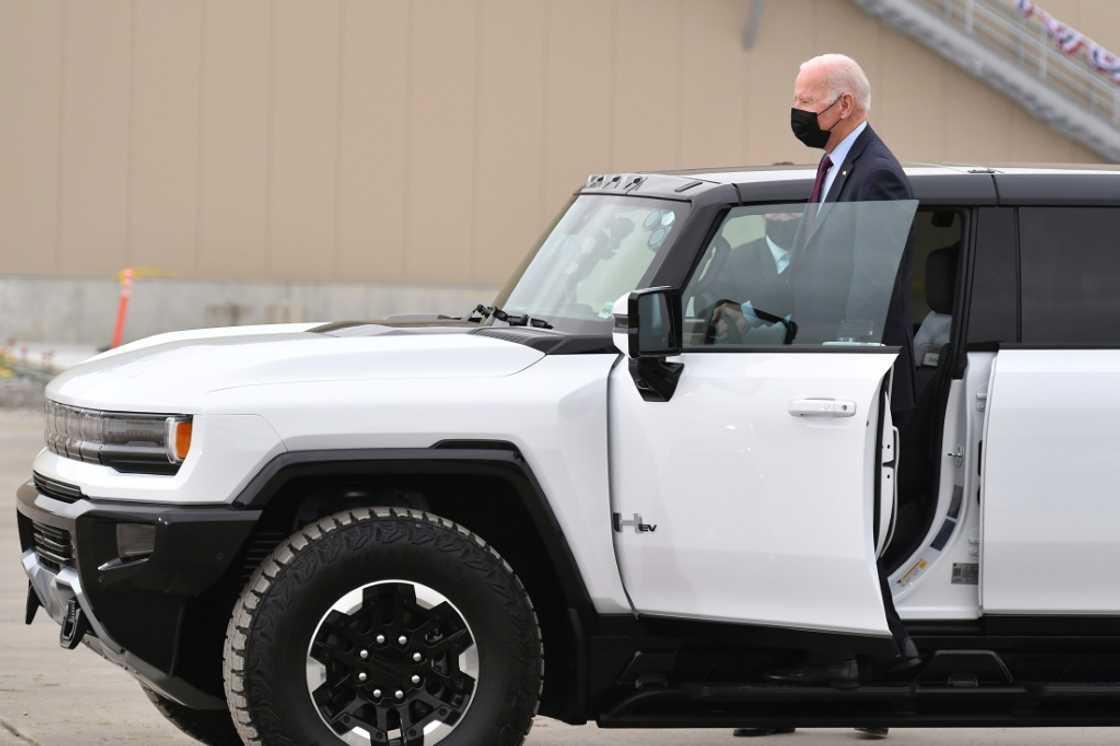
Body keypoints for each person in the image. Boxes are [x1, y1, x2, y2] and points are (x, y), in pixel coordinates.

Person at [760, 51, 920, 702]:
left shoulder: (876, 175)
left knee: (837, 518)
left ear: (844, 105)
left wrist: (840, 374)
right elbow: (815, 274)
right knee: (832, 517)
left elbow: (869, 293)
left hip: (856, 383)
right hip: (829, 371)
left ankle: (881, 651)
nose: (799, 114)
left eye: (808, 103)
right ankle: (877, 661)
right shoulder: (835, 167)